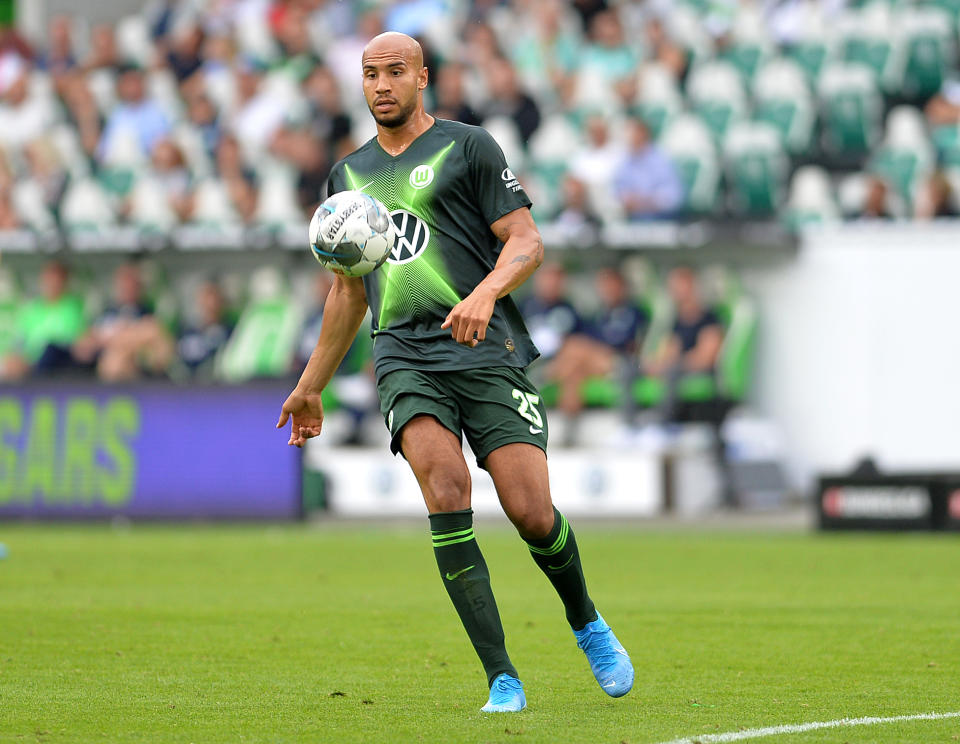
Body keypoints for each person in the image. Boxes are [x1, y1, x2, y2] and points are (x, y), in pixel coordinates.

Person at [276, 32, 633, 714]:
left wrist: (486, 292)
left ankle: (585, 619)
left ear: (422, 78)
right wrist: (311, 382)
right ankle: (502, 677)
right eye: (370, 74)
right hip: (406, 355)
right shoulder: (345, 179)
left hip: (484, 347)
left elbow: (525, 241)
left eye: (395, 72)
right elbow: (349, 293)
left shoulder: (469, 147)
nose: (381, 85)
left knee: (530, 512)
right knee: (446, 489)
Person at [548, 267, 648, 423]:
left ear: (622, 287)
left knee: (574, 346)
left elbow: (632, 345)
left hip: (620, 363)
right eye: (604, 285)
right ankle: (568, 424)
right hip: (593, 364)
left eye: (611, 284)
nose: (607, 289)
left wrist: (597, 350)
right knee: (574, 370)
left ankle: (549, 374)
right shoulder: (598, 314)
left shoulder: (635, 312)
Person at [641, 266, 723, 421]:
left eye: (681, 284)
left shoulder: (710, 318)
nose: (678, 290)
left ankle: (663, 423)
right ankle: (631, 425)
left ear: (693, 286)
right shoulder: (675, 321)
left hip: (700, 372)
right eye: (674, 286)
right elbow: (669, 350)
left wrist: (671, 364)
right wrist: (654, 364)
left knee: (672, 371)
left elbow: (705, 359)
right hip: (677, 367)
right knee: (632, 368)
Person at [0, 260, 85, 381]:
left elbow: (75, 340)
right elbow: (20, 340)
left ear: (64, 282)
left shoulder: (74, 307)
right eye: (48, 279)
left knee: (49, 352)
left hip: (57, 359)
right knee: (9, 363)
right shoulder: (32, 309)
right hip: (29, 359)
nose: (52, 284)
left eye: (56, 279)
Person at [612, 116, 684, 220]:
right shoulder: (625, 162)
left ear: (644, 134)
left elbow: (675, 198)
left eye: (633, 134)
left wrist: (646, 201)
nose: (629, 137)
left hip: (662, 221)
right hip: (632, 221)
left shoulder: (662, 160)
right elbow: (617, 192)